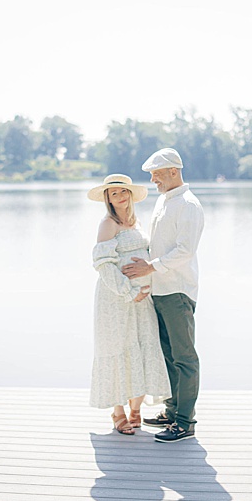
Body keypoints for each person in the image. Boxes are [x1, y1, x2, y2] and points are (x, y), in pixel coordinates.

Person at [122, 148, 204, 443]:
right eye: (152, 174)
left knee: (184, 357)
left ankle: (185, 422)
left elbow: (185, 250)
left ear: (173, 171)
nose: (153, 179)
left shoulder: (188, 205)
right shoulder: (163, 202)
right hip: (160, 290)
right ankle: (171, 411)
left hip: (178, 291)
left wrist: (149, 267)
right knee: (168, 355)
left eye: (156, 173)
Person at [88, 174, 171, 435]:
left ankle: (136, 409)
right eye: (114, 194)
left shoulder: (136, 223)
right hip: (116, 299)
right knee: (117, 348)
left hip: (142, 298)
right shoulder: (108, 224)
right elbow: (104, 265)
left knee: (142, 346)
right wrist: (126, 291)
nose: (120, 197)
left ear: (130, 194)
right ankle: (118, 412)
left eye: (123, 192)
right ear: (108, 199)